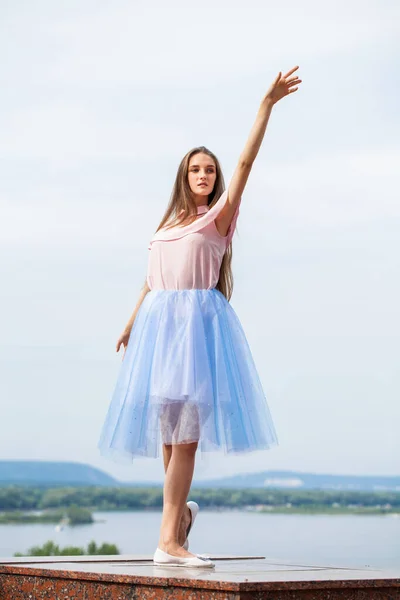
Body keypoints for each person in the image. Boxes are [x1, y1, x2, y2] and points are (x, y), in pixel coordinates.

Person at [98, 66, 302, 568]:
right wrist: (129, 324)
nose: (204, 175)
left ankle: (169, 540)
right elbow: (151, 278)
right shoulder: (167, 225)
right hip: (158, 332)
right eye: (195, 170)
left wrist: (265, 106)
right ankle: (180, 519)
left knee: (185, 434)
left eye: (209, 170)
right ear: (183, 177)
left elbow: (247, 162)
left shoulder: (218, 220)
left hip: (196, 331)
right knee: (169, 437)